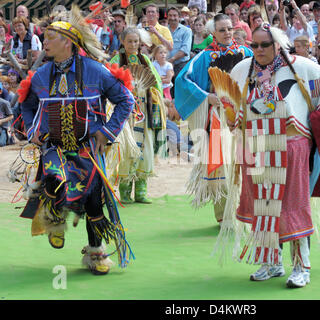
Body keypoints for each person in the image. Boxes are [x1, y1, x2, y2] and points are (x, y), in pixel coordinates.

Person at [215, 23, 320, 288]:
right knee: (262, 206)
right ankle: (271, 261)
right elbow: (231, 101)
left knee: (293, 204)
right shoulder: (243, 69)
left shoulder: (301, 66)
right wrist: (233, 116)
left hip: (291, 143)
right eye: (254, 45)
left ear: (277, 44)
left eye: (264, 45)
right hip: (254, 145)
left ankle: (302, 266)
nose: (258, 50)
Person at [18, 5, 135, 275]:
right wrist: (33, 128)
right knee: (54, 182)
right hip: (54, 147)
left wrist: (106, 132)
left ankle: (96, 253)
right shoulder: (41, 77)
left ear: (68, 42)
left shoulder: (97, 72)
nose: (44, 42)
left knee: (94, 201)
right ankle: (55, 219)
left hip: (87, 148)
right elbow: (26, 104)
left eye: (50, 38)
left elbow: (125, 100)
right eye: (44, 37)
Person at [174, 14, 253, 225]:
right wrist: (206, 96)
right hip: (218, 118)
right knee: (222, 164)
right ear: (213, 33)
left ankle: (244, 211)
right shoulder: (204, 57)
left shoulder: (246, 53)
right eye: (222, 30)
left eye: (229, 29)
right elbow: (183, 81)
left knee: (245, 162)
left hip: (244, 115)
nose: (227, 33)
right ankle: (225, 215)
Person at [109, 27, 165, 204]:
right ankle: (125, 191)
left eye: (136, 41)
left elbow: (156, 85)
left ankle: (141, 190)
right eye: (130, 41)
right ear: (123, 42)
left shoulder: (146, 60)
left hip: (143, 111)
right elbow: (107, 84)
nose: (133, 45)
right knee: (126, 149)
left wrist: (150, 92)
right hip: (124, 113)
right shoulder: (116, 61)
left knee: (145, 148)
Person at [167, 7, 192, 80]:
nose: (172, 18)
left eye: (175, 15)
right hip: (165, 66)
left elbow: (185, 50)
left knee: (180, 89)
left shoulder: (187, 31)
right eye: (170, 15)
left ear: (179, 17)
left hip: (181, 66)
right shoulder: (164, 30)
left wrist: (171, 60)